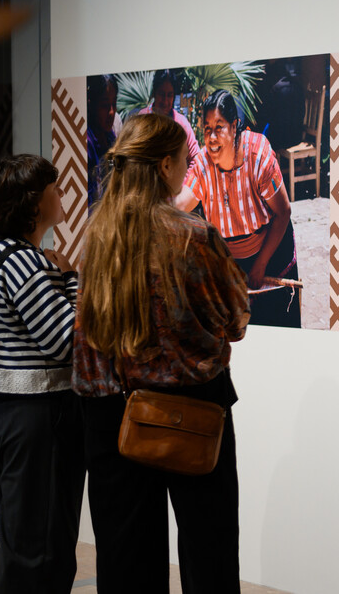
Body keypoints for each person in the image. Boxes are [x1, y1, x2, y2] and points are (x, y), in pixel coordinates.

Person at [73, 113, 250, 593]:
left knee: (125, 561)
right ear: (166, 165)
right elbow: (235, 319)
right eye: (184, 161)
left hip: (109, 415)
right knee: (208, 554)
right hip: (191, 410)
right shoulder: (191, 236)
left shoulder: (96, 241)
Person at [0, 155, 83, 593]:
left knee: (21, 539)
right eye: (53, 188)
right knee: (42, 546)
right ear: (32, 203)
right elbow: (65, 341)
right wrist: (71, 279)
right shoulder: (24, 261)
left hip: (8, 414)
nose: (60, 194)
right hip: (38, 417)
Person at [175, 89, 300, 328]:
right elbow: (180, 205)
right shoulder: (203, 165)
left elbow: (283, 213)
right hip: (233, 264)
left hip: (270, 255)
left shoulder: (257, 156)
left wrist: (261, 264)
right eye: (207, 128)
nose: (211, 137)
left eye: (219, 127)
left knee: (275, 329)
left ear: (234, 127)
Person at [136, 69, 201, 167]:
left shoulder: (181, 123)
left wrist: (184, 181)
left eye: (169, 95)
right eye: (162, 94)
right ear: (154, 93)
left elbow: (196, 159)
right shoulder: (142, 119)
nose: (165, 101)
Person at [87, 74, 120, 209]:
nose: (111, 112)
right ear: (91, 104)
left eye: (114, 103)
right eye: (105, 105)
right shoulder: (87, 143)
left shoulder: (110, 138)